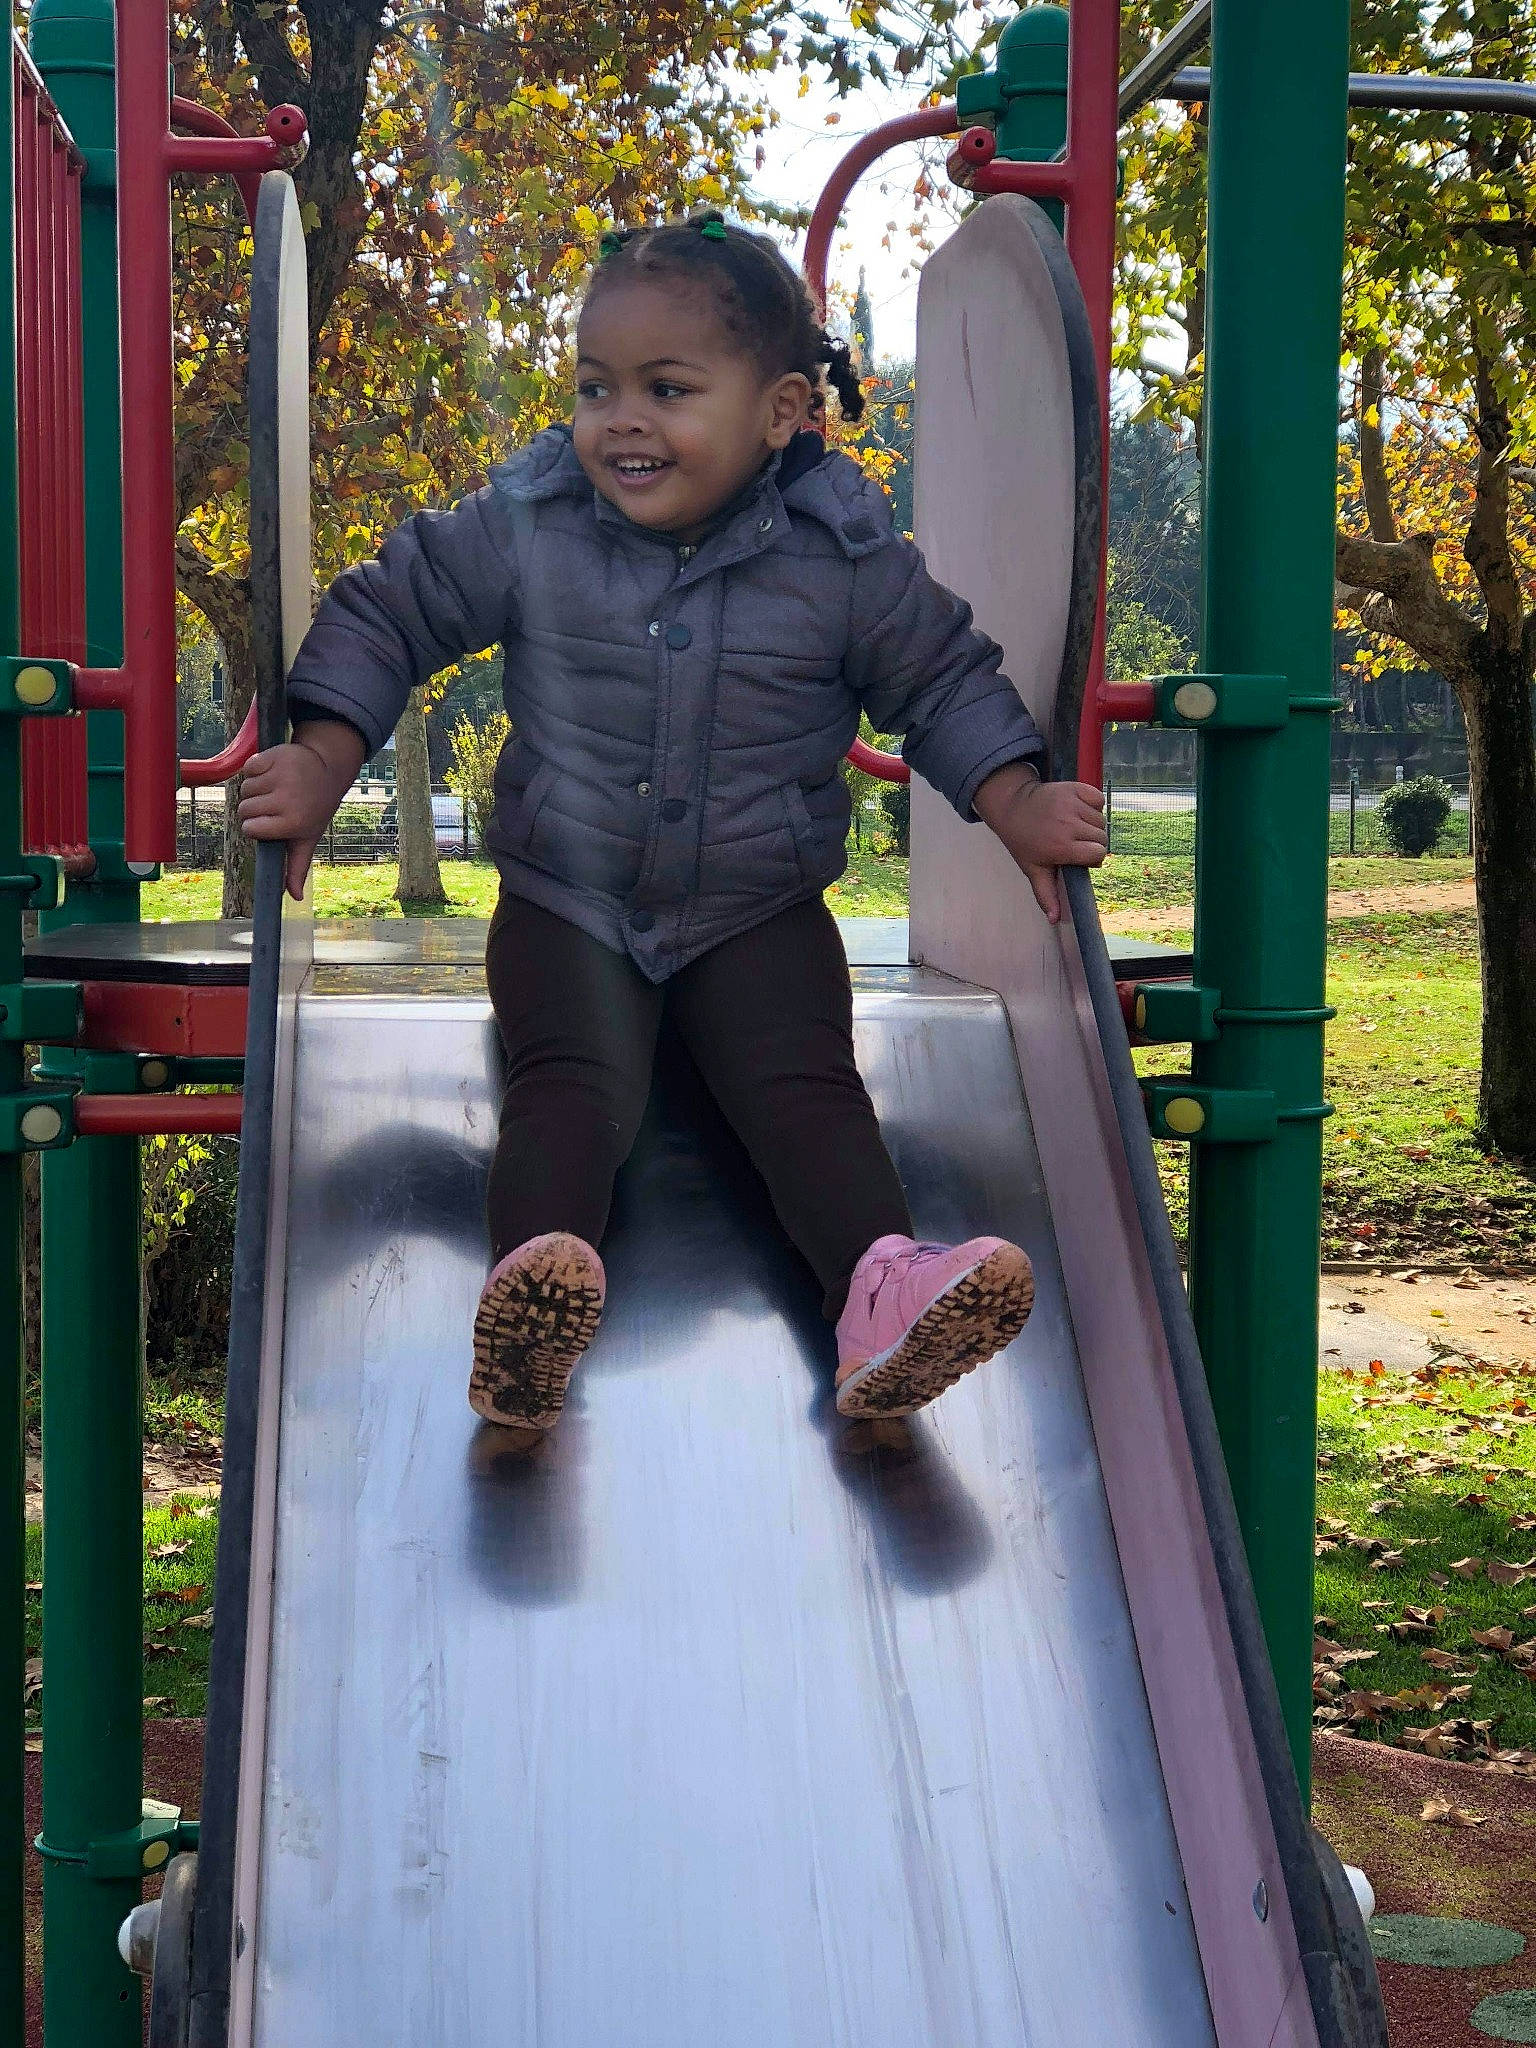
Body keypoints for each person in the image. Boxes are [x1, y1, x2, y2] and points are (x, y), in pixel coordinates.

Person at [239, 212, 1108, 1434]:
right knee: (570, 1083)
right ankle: (529, 1297)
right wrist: (327, 750)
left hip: (757, 901)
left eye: (667, 388)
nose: (620, 419)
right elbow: (396, 607)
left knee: (805, 1086)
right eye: (596, 386)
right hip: (569, 898)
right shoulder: (532, 519)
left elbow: (945, 681)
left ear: (783, 410)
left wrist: (1011, 795)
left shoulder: (846, 554)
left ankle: (880, 1289)